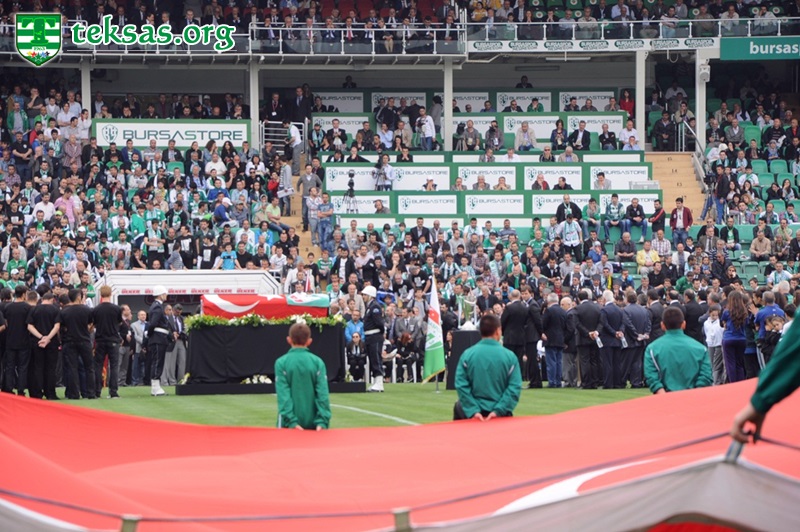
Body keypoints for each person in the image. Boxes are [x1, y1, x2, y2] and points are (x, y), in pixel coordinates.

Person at [454, 314, 522, 421]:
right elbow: (514, 387)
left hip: (471, 416)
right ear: (498, 331)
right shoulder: (510, 357)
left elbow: (461, 385)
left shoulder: (467, 355)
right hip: (501, 415)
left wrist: (473, 410)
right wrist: (499, 410)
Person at [275, 322, 331, 430]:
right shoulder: (318, 362)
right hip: (314, 424)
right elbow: (322, 395)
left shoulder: (281, 363)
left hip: (288, 426)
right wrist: (322, 421)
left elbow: (283, 396)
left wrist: (292, 422)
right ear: (309, 341)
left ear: (289, 340)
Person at [644, 306, 712, 394]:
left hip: (665, 398)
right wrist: (695, 394)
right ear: (684, 324)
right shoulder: (701, 349)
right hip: (693, 397)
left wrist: (662, 394)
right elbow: (706, 376)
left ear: (662, 325)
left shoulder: (652, 349)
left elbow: (651, 376)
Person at [60, 288, 96, 400]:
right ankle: (91, 393)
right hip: (84, 340)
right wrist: (87, 329)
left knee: (72, 368)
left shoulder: (64, 311)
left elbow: (62, 327)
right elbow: (91, 325)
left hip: (70, 341)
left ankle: (74, 393)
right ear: (79, 297)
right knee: (89, 367)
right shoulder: (87, 310)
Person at [26, 291, 61, 400]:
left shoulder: (34, 309)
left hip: (37, 342)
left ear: (41, 299)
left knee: (38, 368)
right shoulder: (55, 310)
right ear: (52, 300)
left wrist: (41, 337)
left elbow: (29, 326)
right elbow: (57, 326)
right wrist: (48, 338)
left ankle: (37, 393)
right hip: (52, 343)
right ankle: (50, 393)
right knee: (51, 368)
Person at [92, 285, 123, 399]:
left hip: (100, 339)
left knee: (98, 366)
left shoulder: (96, 309)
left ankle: (97, 391)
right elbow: (119, 322)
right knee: (114, 366)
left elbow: (94, 323)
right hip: (113, 339)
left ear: (101, 294)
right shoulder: (116, 309)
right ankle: (113, 391)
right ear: (110, 294)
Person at [1, 285, 27, 396]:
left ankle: (8, 388)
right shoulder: (27, 307)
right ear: (24, 294)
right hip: (24, 341)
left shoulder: (8, 308)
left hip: (10, 340)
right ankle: (21, 389)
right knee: (22, 367)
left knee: (9, 366)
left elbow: (5, 323)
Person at [147, 285, 171, 397]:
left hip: (159, 337)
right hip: (158, 338)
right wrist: (150, 334)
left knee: (158, 362)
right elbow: (153, 323)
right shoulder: (157, 307)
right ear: (161, 295)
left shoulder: (157, 306)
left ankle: (156, 386)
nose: (166, 295)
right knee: (157, 362)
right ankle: (155, 387)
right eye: (165, 294)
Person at [362, 285, 386, 392]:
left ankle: (379, 383)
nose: (363, 296)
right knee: (372, 359)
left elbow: (379, 323)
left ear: (370, 295)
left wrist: (381, 332)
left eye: (365, 295)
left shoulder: (375, 307)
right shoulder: (369, 306)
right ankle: (376, 381)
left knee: (376, 358)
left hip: (375, 336)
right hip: (369, 336)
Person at [541, 293, 568, 388]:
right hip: (560, 339)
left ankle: (552, 382)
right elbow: (566, 326)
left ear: (548, 301)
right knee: (559, 361)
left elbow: (543, 324)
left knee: (551, 362)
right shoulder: (563, 311)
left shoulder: (549, 311)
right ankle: (558, 381)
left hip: (550, 339)